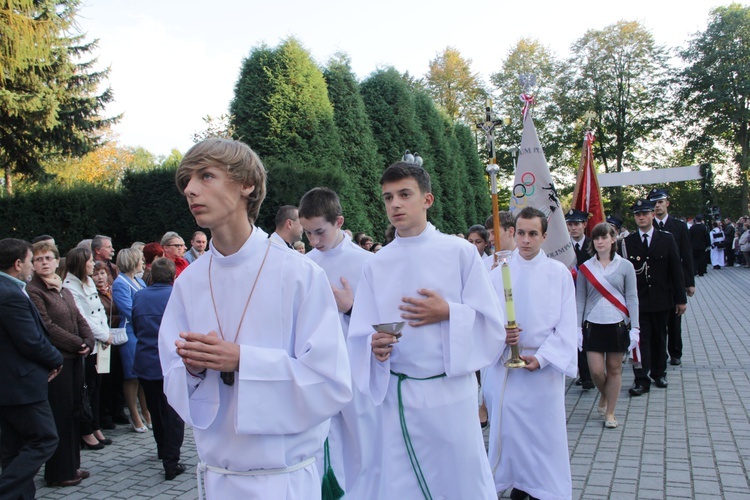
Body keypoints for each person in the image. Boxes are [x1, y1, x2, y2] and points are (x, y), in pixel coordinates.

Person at [159, 138, 351, 498]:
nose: (190, 189)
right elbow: (171, 371)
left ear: (246, 183)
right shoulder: (189, 282)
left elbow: (331, 382)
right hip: (218, 478)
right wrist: (194, 370)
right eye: (186, 180)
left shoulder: (299, 274)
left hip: (285, 481)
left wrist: (243, 360)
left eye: (206, 176)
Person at [348, 161, 503, 499]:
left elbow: (492, 324)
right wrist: (374, 346)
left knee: (459, 481)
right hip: (399, 396)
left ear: (427, 200)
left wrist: (448, 312)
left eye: (405, 194)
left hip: (450, 393)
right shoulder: (376, 263)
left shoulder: (460, 252)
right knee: (402, 484)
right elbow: (360, 333)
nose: (395, 205)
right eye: (388, 198)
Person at [484, 207, 577, 500]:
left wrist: (544, 358)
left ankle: (542, 488)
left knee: (543, 435)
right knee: (508, 433)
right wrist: (501, 334)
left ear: (544, 236)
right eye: (520, 233)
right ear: (513, 233)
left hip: (542, 370)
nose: (525, 240)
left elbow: (566, 324)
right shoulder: (499, 274)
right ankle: (516, 483)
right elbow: (485, 320)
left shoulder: (558, 273)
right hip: (506, 368)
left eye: (532, 233)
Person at [298, 186, 382, 498]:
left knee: (363, 442)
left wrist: (351, 307)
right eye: (307, 233)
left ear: (339, 221)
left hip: (357, 370)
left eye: (319, 231)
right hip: (317, 370)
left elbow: (385, 321)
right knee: (323, 442)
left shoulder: (367, 263)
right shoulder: (305, 264)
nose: (314, 241)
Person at [27, 241, 95, 487]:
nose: (44, 262)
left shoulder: (63, 289)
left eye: (48, 258)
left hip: (75, 359)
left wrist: (88, 340)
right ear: (33, 265)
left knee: (74, 411)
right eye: (38, 259)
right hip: (56, 363)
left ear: (58, 261)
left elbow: (79, 317)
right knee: (60, 415)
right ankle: (59, 472)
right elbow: (47, 326)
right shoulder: (34, 291)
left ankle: (72, 465)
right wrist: (78, 343)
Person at [0, 238, 63, 500]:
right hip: (21, 384)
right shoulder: (10, 294)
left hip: (12, 384)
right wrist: (56, 359)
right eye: (29, 261)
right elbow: (30, 341)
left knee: (13, 449)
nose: (32, 266)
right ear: (17, 264)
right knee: (45, 439)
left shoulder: (11, 289)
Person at [576, 223, 639, 429]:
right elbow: (580, 299)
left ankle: (610, 411)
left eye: (604, 237)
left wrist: (636, 328)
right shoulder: (586, 267)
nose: (600, 242)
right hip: (593, 324)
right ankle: (604, 393)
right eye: (596, 238)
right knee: (595, 371)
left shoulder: (625, 266)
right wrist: (577, 327)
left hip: (617, 324)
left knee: (614, 370)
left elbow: (632, 298)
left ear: (613, 239)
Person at [621, 200, 686, 396]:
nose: (641, 217)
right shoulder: (627, 242)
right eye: (637, 214)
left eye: (645, 213)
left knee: (660, 337)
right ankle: (641, 379)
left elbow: (676, 270)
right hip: (638, 301)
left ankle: (659, 373)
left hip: (661, 299)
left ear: (652, 215)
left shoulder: (666, 239)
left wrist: (680, 299)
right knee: (640, 342)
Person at [132, 258, 186, 481]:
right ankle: (171, 461)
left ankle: (162, 449)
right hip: (170, 361)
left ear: (151, 275)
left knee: (155, 409)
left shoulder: (139, 296)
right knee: (174, 412)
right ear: (173, 276)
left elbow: (136, 325)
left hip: (146, 359)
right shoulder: (176, 296)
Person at [62, 248, 113, 450]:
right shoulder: (70, 287)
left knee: (96, 388)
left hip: (100, 341)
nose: (94, 264)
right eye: (91, 261)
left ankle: (95, 425)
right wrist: (102, 335)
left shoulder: (89, 282)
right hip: (89, 343)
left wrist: (105, 334)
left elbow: (99, 313)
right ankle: (86, 429)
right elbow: (82, 318)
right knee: (87, 388)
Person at [648, 188, 695, 366]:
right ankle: (660, 354)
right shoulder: (648, 226)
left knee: (675, 318)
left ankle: (675, 352)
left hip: (675, 280)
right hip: (656, 281)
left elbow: (687, 255)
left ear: (667, 203)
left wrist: (689, 282)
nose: (657, 206)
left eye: (660, 202)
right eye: (654, 203)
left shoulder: (679, 226)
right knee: (658, 321)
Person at [112, 248, 151, 433]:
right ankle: (135, 416)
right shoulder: (120, 283)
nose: (142, 263)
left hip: (142, 330)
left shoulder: (140, 280)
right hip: (130, 332)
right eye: (140, 260)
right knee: (132, 376)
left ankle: (146, 412)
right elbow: (127, 308)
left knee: (143, 376)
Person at [92, 261, 124, 431]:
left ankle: (116, 411)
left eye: (102, 273)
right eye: (95, 274)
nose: (100, 277)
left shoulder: (112, 291)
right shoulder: (93, 295)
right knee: (104, 380)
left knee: (117, 377)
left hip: (116, 338)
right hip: (103, 340)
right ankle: (104, 416)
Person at [566, 208, 594, 390]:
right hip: (570, 297)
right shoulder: (563, 248)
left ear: (584, 225)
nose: (573, 228)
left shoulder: (593, 245)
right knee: (575, 336)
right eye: (569, 224)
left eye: (576, 224)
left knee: (588, 335)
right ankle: (584, 375)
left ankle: (591, 373)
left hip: (590, 297)